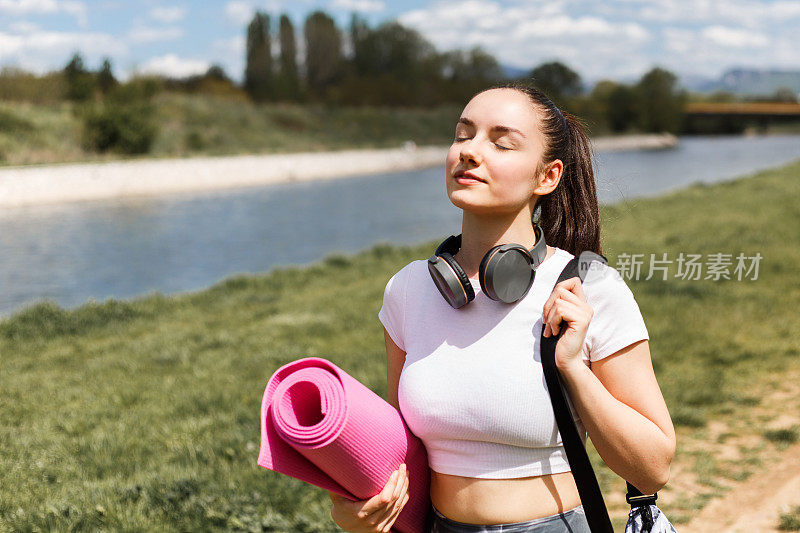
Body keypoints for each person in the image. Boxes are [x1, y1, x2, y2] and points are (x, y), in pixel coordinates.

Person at [328, 82, 676, 533]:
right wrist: (357, 513)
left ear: (547, 177)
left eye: (501, 142)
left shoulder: (590, 290)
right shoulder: (409, 289)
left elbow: (652, 468)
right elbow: (405, 453)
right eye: (462, 135)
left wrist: (572, 366)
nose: (469, 152)